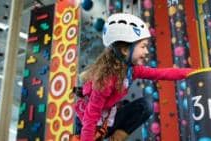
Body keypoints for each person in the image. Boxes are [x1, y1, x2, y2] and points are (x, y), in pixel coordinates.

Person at [74, 13, 195, 141]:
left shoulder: (132, 70)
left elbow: (162, 73)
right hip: (88, 128)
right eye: (143, 46)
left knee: (146, 105)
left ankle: (117, 137)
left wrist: (193, 72)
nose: (146, 52)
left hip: (107, 121)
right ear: (125, 50)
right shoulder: (106, 80)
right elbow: (90, 117)